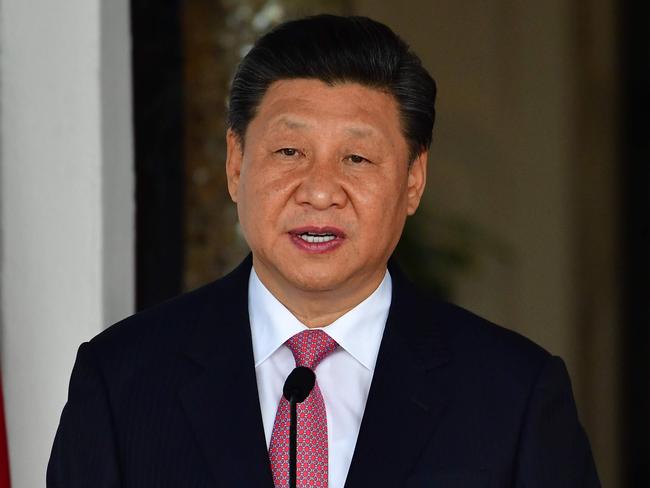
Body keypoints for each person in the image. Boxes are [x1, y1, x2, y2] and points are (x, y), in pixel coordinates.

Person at [47, 14, 600, 488]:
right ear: (236, 164)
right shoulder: (122, 382)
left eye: (357, 159)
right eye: (290, 150)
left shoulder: (513, 396)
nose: (319, 190)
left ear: (413, 181)